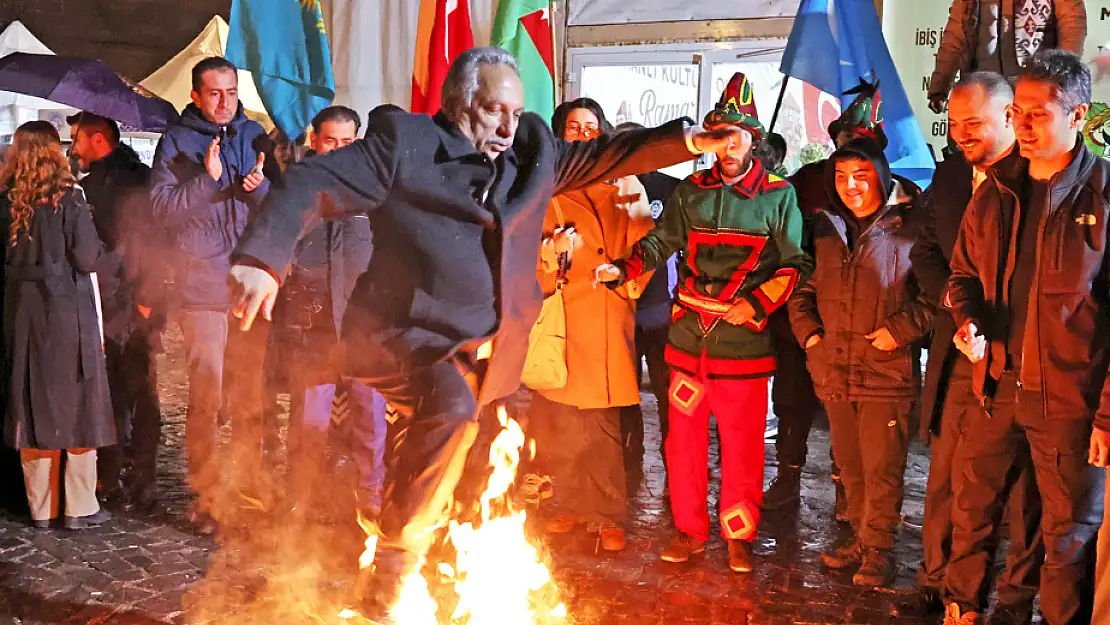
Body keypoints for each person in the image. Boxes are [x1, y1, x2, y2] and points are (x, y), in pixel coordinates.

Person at [227, 46, 740, 623]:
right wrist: (264, 257)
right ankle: (388, 580)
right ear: (459, 103)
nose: (507, 127)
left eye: (516, 114)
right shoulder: (406, 144)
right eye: (495, 111)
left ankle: (451, 583)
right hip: (404, 336)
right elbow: (313, 181)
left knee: (473, 461)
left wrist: (688, 141)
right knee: (450, 406)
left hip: (489, 351)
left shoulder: (531, 152)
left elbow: (603, 155)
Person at [597, 72, 812, 575]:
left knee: (742, 447)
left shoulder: (779, 196)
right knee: (683, 445)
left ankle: (740, 535)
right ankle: (689, 529)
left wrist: (756, 305)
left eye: (736, 135)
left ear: (753, 139)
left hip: (745, 348)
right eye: (718, 134)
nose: (726, 145)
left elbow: (797, 264)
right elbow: (659, 243)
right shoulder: (690, 191)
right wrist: (623, 267)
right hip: (687, 344)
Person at [944, 49, 1108, 625]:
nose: (1024, 125)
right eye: (1019, 112)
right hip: (996, 385)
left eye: (1040, 113)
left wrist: (1107, 416)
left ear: (1079, 115)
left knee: (1065, 536)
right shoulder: (996, 192)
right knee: (973, 509)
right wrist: (968, 320)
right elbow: (962, 276)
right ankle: (963, 610)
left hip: (1070, 398)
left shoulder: (1103, 196)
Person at [895, 73, 1043, 622]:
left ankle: (1008, 598)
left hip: (1022, 361)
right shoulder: (953, 176)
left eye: (972, 124)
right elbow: (927, 252)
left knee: (1020, 492)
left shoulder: (1041, 179)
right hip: (960, 351)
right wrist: (961, 313)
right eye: (954, 124)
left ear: (1009, 118)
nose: (960, 135)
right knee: (948, 476)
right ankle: (937, 582)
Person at [789, 137, 929, 588]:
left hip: (886, 373)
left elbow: (937, 297)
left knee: (882, 471)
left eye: (861, 176)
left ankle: (879, 551)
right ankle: (860, 540)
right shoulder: (826, 227)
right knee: (849, 468)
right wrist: (811, 338)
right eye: (842, 177)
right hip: (835, 370)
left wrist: (901, 330)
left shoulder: (910, 226)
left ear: (881, 176)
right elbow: (803, 290)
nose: (851, 186)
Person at [763, 79, 901, 515]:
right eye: (845, 137)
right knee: (792, 401)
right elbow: (786, 245)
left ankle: (849, 492)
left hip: (862, 333)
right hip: (801, 321)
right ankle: (787, 477)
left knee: (853, 421)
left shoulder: (894, 199)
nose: (851, 146)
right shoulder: (805, 182)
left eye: (862, 142)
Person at [149, 55, 271, 533]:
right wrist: (209, 180)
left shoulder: (254, 137)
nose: (225, 102)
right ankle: (205, 496)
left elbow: (276, 209)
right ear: (196, 96)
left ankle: (253, 486)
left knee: (251, 395)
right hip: (201, 287)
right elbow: (161, 210)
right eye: (215, 93)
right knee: (207, 397)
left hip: (249, 283)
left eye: (232, 92)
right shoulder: (177, 141)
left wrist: (257, 190)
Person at [529, 99, 655, 552]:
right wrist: (551, 250)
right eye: (572, 127)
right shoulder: (544, 184)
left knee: (602, 422)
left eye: (589, 127)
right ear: (559, 133)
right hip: (563, 308)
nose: (581, 134)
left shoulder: (625, 182)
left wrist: (628, 279)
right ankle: (569, 503)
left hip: (604, 309)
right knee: (561, 420)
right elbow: (526, 246)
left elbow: (647, 244)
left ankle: (606, 514)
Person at [267, 105, 388, 521]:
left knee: (371, 421)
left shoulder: (377, 189)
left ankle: (370, 497)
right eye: (331, 141)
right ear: (315, 141)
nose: (339, 149)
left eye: (348, 141)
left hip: (364, 324)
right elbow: (275, 239)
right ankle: (299, 495)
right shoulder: (298, 189)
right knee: (307, 422)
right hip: (313, 322)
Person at [1, 121, 114, 530]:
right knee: (81, 405)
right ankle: (79, 507)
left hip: (22, 317)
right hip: (70, 316)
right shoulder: (69, 198)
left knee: (31, 406)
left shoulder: (6, 199)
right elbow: (87, 258)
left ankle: (42, 508)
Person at [68, 112, 165, 513]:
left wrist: (146, 296)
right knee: (115, 393)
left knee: (137, 393)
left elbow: (147, 242)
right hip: (112, 301)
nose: (73, 148)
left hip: (131, 303)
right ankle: (116, 475)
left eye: (77, 139)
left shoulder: (132, 181)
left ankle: (136, 480)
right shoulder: (94, 184)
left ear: (98, 140)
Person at [613, 121, 680, 490]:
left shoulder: (671, 189)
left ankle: (676, 460)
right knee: (624, 393)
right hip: (620, 311)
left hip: (663, 315)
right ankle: (628, 458)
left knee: (670, 393)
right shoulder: (608, 188)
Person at [928, 0, 1086, 114]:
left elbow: (1072, 26)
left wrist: (1063, 78)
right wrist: (939, 88)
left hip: (1033, 88)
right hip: (981, 91)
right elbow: (955, 36)